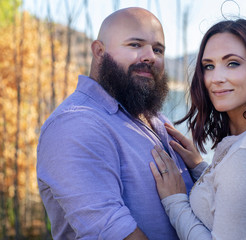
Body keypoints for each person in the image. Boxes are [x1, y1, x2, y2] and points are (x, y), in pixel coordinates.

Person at [36, 7, 194, 240]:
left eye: (158, 49)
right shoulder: (75, 125)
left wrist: (201, 168)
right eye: (135, 45)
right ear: (99, 51)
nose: (150, 55)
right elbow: (115, 234)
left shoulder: (153, 118)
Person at [149, 19, 246, 240]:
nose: (216, 78)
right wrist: (201, 169)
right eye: (208, 66)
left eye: (232, 63)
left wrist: (175, 202)